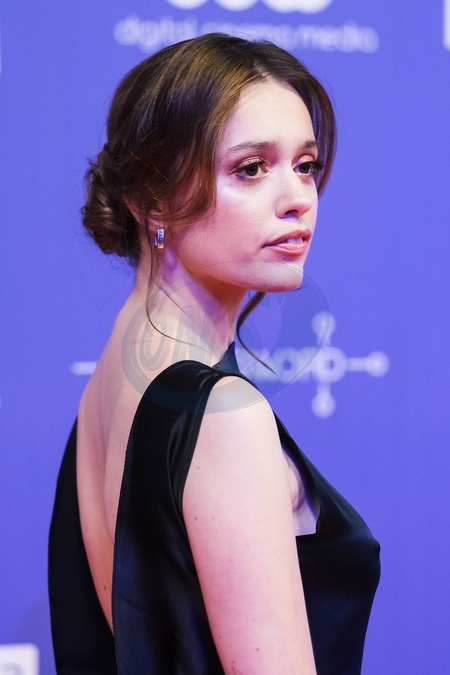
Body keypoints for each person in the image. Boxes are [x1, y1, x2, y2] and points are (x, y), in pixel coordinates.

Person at [48, 33, 380, 675]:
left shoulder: (115, 375)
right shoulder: (223, 415)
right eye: (251, 168)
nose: (298, 198)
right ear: (152, 200)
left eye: (305, 164)